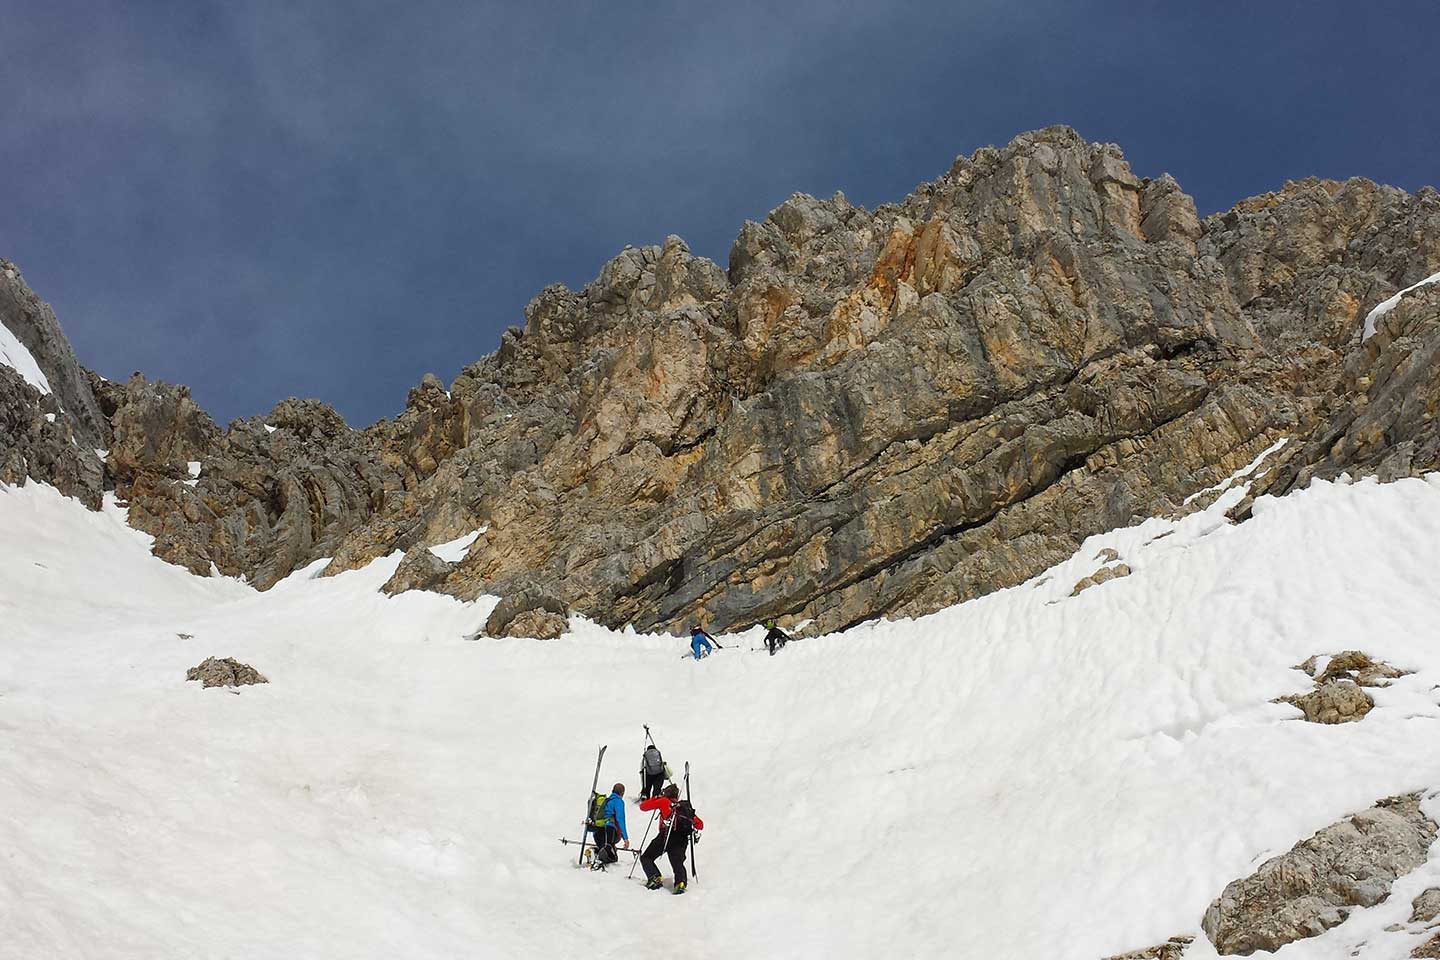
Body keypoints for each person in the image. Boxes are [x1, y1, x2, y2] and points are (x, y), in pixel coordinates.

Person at [638, 783, 703, 894]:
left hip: (666, 835)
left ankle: (655, 877)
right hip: (682, 838)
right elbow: (700, 825)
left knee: (646, 857)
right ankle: (680, 882)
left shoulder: (664, 801)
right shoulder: (683, 808)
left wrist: (656, 797)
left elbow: (643, 807)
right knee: (677, 862)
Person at [589, 782, 630, 864]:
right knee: (611, 857)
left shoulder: (606, 801)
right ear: (622, 793)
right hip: (609, 830)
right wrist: (625, 838)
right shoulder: (618, 801)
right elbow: (620, 819)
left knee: (604, 850)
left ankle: (594, 853)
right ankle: (594, 852)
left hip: (597, 831)